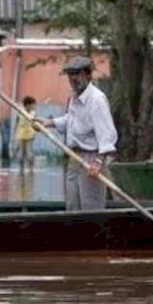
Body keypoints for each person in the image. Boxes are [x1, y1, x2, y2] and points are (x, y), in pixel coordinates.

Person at [35, 56, 117, 211]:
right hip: (74, 158)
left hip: (91, 158)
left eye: (77, 73)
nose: (73, 78)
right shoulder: (74, 96)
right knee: (72, 206)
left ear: (88, 74)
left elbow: (107, 134)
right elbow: (72, 120)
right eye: (70, 74)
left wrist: (99, 162)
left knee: (91, 207)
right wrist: (49, 123)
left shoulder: (97, 100)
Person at [12, 96, 37, 173]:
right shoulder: (20, 112)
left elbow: (35, 123)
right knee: (21, 153)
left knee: (30, 152)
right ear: (27, 105)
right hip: (21, 134)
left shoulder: (33, 113)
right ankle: (21, 169)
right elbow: (16, 123)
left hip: (30, 134)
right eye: (32, 104)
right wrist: (14, 135)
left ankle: (31, 169)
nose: (34, 106)